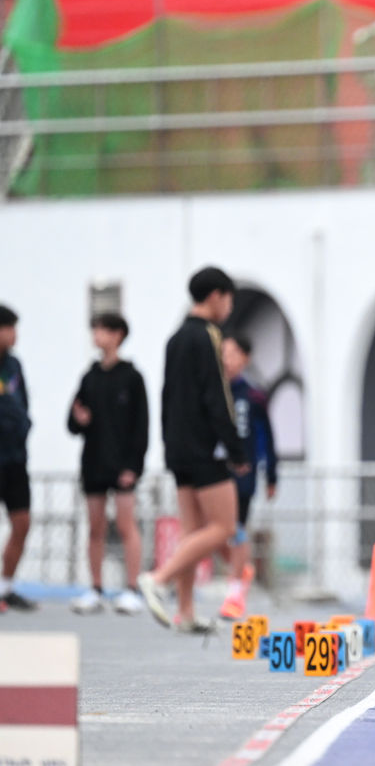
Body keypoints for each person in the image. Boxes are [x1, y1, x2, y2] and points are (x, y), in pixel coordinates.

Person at [137, 267, 249, 633]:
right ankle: (159, 578)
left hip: (178, 446)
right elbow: (218, 397)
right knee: (224, 526)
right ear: (216, 296)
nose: (229, 307)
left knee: (194, 530)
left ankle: (185, 612)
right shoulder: (209, 336)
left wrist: (169, 444)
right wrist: (235, 449)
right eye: (229, 299)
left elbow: (167, 394)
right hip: (205, 447)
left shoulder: (175, 338)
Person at [67, 313, 149, 615]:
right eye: (95, 330)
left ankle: (132, 588)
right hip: (93, 463)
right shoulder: (89, 377)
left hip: (123, 465)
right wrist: (79, 420)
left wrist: (134, 467)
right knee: (95, 528)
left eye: (101, 330)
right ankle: (96, 589)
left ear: (117, 335)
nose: (96, 336)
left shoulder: (133, 377)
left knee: (127, 525)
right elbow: (72, 422)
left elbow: (142, 426)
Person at [217, 334, 278, 620]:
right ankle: (241, 570)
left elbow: (268, 438)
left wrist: (272, 476)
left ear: (245, 358)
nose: (226, 360)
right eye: (223, 353)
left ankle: (235, 591)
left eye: (232, 354)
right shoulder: (214, 392)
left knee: (237, 529)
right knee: (214, 532)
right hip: (215, 473)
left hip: (244, 474)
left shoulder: (254, 396)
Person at [0, 304, 35, 612]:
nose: (14, 335)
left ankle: (5, 587)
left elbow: (23, 403)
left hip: (15, 459)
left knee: (22, 522)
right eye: (9, 328)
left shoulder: (14, 365)